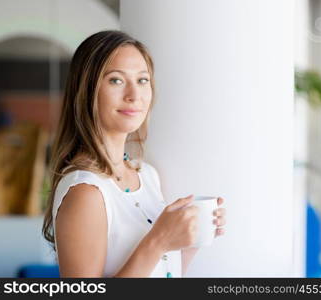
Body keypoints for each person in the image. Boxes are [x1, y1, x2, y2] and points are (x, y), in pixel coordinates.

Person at [42, 30, 225, 278]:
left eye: (142, 80)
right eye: (116, 80)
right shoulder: (85, 191)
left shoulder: (147, 175)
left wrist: (190, 237)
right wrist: (158, 241)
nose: (134, 95)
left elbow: (162, 272)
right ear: (87, 91)